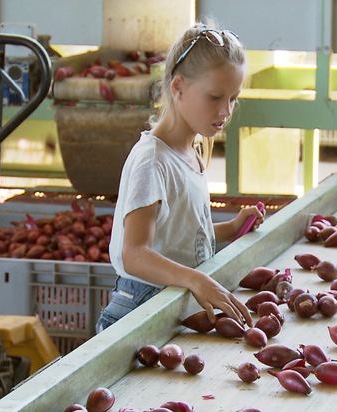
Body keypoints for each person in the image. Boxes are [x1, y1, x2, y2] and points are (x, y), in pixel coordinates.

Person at [96, 23, 263, 333]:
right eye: (215, 97)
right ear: (178, 88)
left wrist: (229, 229)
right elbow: (133, 255)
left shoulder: (192, 150)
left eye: (233, 98)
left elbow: (175, 237)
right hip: (139, 309)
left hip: (172, 303)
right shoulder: (152, 162)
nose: (226, 111)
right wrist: (195, 278)